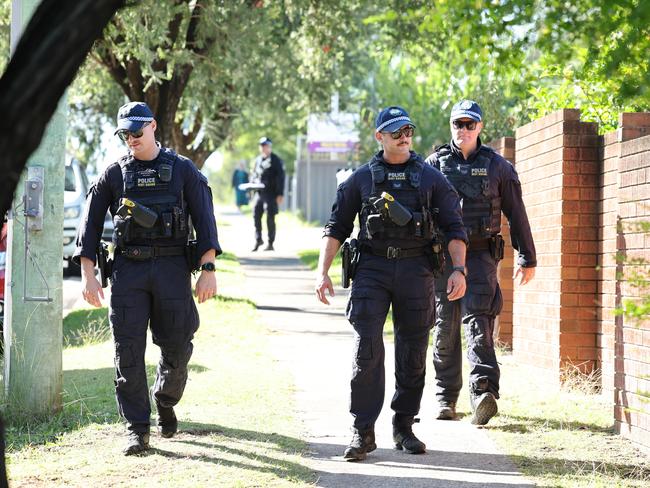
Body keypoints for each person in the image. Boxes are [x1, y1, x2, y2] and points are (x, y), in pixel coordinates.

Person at [315, 106, 468, 461]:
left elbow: (454, 229)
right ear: (379, 136)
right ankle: (363, 430)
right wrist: (322, 271)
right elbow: (336, 227)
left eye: (408, 129)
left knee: (413, 351)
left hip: (417, 270)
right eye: (395, 130)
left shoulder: (431, 178)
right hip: (372, 269)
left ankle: (403, 426)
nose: (404, 135)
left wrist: (459, 269)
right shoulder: (362, 178)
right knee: (366, 349)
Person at [73, 101, 221, 455]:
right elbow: (89, 226)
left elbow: (205, 219)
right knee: (127, 352)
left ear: (153, 126)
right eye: (125, 134)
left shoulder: (183, 170)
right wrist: (88, 275)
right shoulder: (114, 173)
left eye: (136, 132)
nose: (131, 139)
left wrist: (208, 269)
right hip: (128, 271)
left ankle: (165, 399)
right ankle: (136, 428)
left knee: (178, 346)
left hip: (172, 270)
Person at [426, 99, 536, 425]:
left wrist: (526, 256)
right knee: (445, 326)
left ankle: (483, 392)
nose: (463, 129)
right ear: (451, 126)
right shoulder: (433, 164)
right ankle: (446, 397)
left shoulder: (498, 166)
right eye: (458, 124)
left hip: (482, 254)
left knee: (479, 320)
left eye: (469, 124)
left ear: (480, 127)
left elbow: (517, 213)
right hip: (444, 258)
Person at [251, 137, 285, 251]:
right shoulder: (258, 160)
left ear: (269, 147)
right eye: (262, 146)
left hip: (271, 194)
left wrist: (280, 194)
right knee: (256, 215)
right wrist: (253, 182)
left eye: (266, 145)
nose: (264, 148)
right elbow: (253, 174)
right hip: (259, 193)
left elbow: (281, 177)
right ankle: (258, 239)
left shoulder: (275, 160)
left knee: (270, 217)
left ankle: (270, 243)